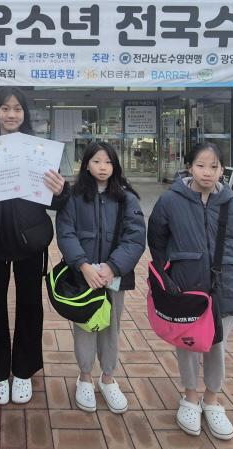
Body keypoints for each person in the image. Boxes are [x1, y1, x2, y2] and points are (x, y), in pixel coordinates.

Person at [147, 141, 233, 441]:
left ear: (223, 169)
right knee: (187, 344)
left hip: (227, 289)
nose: (207, 172)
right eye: (200, 165)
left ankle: (212, 400)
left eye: (214, 167)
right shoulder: (169, 202)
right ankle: (189, 397)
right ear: (189, 167)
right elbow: (157, 243)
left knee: (217, 347)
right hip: (186, 289)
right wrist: (166, 281)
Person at [0, 87, 69, 405]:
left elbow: (55, 200)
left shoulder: (38, 150)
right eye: (5, 108)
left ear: (25, 114)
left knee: (30, 305)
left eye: (17, 109)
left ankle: (24, 369)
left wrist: (61, 191)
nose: (11, 114)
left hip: (30, 241)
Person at [55, 142, 146, 414]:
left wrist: (112, 267)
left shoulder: (127, 198)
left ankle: (108, 378)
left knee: (111, 327)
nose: (103, 167)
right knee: (85, 325)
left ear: (115, 166)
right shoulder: (73, 196)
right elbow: (66, 233)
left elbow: (135, 238)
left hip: (113, 277)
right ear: (86, 165)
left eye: (108, 162)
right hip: (83, 276)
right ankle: (85, 377)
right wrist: (83, 266)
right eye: (96, 161)